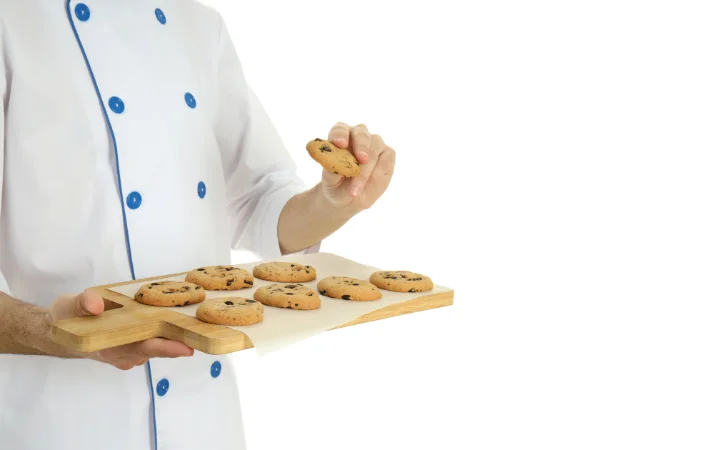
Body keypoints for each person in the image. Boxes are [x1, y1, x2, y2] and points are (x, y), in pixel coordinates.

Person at [0, 2, 395, 449]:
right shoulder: (13, 22)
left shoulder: (198, 25)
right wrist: (50, 330)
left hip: (206, 423)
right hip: (60, 426)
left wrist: (335, 199)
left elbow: (260, 202)